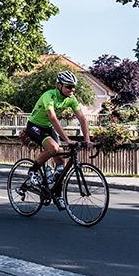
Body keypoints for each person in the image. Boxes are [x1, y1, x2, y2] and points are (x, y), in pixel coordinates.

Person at [23, 70, 92, 207]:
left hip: (48, 128)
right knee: (54, 148)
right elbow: (53, 118)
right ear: (59, 86)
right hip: (35, 126)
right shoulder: (49, 95)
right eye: (68, 86)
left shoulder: (71, 99)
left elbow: (82, 119)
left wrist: (87, 140)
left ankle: (57, 194)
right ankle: (33, 171)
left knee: (60, 163)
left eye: (73, 87)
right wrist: (67, 140)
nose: (72, 90)